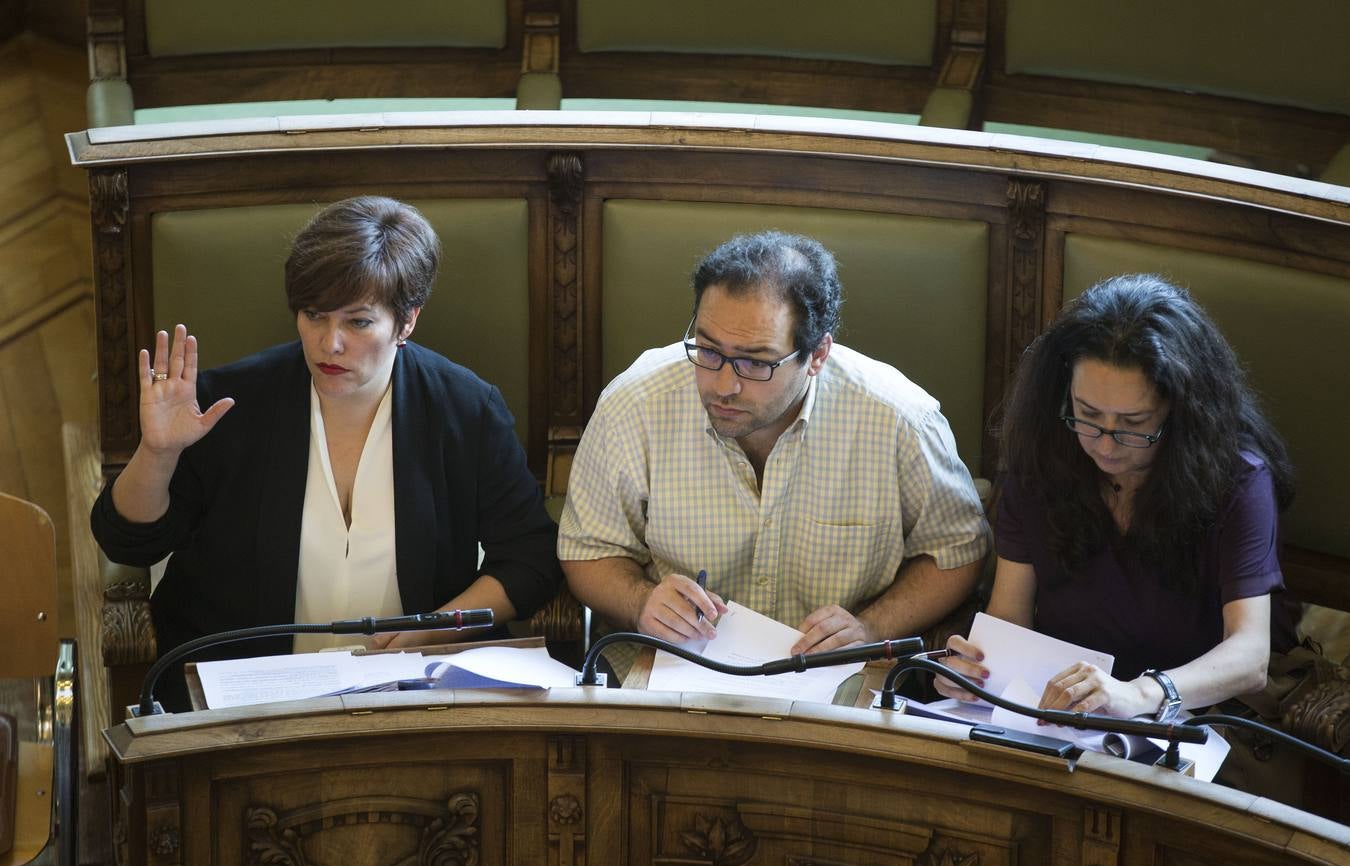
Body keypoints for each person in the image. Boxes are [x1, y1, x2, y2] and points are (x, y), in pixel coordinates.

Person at [92, 196, 561, 710]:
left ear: (406, 322)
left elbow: (530, 557)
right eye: (314, 315)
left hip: (409, 694)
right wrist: (158, 453)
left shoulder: (465, 409)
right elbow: (128, 544)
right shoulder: (228, 404)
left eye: (358, 322)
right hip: (242, 695)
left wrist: (431, 630)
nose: (328, 344)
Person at [558, 231, 989, 677]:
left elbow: (955, 553)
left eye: (756, 362)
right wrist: (640, 602)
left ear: (817, 354)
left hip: (838, 681)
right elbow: (588, 549)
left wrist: (871, 626)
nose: (724, 386)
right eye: (708, 351)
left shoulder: (900, 420)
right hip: (668, 674)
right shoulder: (636, 403)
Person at [936, 273, 1295, 720]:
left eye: (1134, 423)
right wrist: (975, 667)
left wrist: (1142, 694)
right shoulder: (1043, 456)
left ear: (1181, 410)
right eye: (1087, 414)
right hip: (1060, 712)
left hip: (1196, 713)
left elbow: (1249, 655)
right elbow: (1010, 615)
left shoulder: (1237, 479)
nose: (1104, 445)